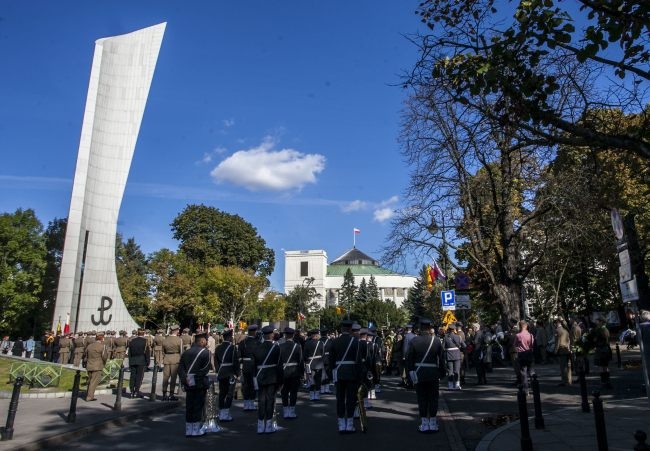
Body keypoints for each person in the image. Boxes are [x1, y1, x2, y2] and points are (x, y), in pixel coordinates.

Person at [406, 318, 444, 433]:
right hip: (433, 374)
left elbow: (409, 360)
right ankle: (433, 423)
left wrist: (410, 374)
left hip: (419, 373)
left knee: (421, 398)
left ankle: (424, 423)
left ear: (420, 328)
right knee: (433, 398)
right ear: (429, 328)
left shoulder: (414, 341)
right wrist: (442, 373)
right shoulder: (436, 341)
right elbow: (442, 359)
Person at [328, 320, 362, 433]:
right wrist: (359, 376)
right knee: (351, 399)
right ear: (351, 329)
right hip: (352, 373)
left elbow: (331, 361)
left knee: (340, 399)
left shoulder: (335, 341)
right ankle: (350, 424)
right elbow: (358, 361)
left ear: (342, 329)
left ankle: (341, 424)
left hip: (339, 373)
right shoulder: (356, 341)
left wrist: (332, 374)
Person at [178, 333, 211, 438]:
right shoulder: (206, 353)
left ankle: (188, 429)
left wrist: (185, 379)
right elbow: (205, 369)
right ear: (202, 341)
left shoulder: (186, 352)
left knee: (189, 405)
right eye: (206, 340)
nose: (206, 342)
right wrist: (195, 377)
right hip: (199, 383)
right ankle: (196, 429)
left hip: (188, 382)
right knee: (198, 405)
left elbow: (180, 369)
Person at [253, 325, 282, 434]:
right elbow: (279, 366)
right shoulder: (276, 347)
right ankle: (268, 426)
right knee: (270, 400)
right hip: (272, 377)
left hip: (260, 377)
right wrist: (280, 380)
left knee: (261, 400)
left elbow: (254, 366)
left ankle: (260, 425)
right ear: (271, 334)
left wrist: (254, 378)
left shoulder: (256, 347)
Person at [214, 328, 240, 422]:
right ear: (229, 338)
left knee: (222, 393)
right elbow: (235, 361)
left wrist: (218, 371)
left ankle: (221, 412)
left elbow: (215, 361)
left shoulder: (218, 348)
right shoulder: (232, 348)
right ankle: (226, 413)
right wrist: (238, 373)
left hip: (221, 373)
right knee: (229, 393)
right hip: (230, 373)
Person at [279, 326, 303, 419]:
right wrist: (302, 373)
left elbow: (279, 362)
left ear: (285, 335)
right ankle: (292, 411)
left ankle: (285, 411)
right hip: (294, 372)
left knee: (284, 392)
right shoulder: (297, 347)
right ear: (293, 335)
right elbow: (300, 362)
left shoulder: (280, 346)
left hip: (284, 372)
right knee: (293, 392)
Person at [238, 324, 260, 411]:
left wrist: (242, 362)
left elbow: (239, 356)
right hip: (254, 366)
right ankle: (251, 403)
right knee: (253, 385)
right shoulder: (257, 342)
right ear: (254, 332)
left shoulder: (242, 342)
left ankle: (246, 404)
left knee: (246, 385)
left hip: (246, 366)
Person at [83, 331, 108, 401]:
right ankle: (89, 397)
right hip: (97, 366)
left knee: (90, 381)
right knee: (94, 382)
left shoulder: (89, 346)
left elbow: (85, 355)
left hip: (89, 365)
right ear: (102, 338)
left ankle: (89, 394)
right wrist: (104, 363)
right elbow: (104, 357)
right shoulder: (102, 346)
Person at [162, 325, 183, 401]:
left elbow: (163, 351)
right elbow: (181, 351)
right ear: (177, 331)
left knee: (165, 377)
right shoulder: (179, 340)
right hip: (175, 359)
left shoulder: (165, 339)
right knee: (173, 378)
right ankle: (171, 394)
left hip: (167, 358)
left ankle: (164, 394)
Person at [514, 320, 535, 393]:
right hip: (529, 353)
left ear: (520, 326)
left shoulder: (518, 335)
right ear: (526, 326)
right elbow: (532, 345)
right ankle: (534, 388)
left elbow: (515, 345)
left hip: (521, 354)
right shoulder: (530, 335)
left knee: (523, 372)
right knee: (531, 371)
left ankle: (526, 390)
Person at [591, 317, 613, 389]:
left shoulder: (600, 330)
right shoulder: (606, 329)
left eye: (597, 321)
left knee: (601, 367)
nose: (596, 322)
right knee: (605, 366)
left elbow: (595, 340)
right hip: (606, 349)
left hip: (601, 349)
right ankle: (607, 381)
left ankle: (604, 382)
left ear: (601, 322)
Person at [304, 329, 325, 401]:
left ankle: (312, 395)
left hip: (310, 363)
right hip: (319, 363)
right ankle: (317, 395)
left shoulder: (307, 343)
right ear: (317, 335)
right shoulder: (321, 343)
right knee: (318, 380)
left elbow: (305, 355)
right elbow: (323, 354)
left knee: (311, 379)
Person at [128, 329, 149, 398]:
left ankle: (131, 392)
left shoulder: (132, 341)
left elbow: (129, 353)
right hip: (141, 361)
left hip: (133, 360)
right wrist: (147, 362)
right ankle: (136, 391)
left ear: (137, 333)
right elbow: (147, 353)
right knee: (139, 377)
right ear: (143, 333)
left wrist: (130, 361)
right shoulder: (145, 341)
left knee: (132, 376)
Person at [444, 324, 465, 390]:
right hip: (457, 355)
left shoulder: (446, 337)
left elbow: (442, 347)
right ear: (454, 330)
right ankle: (457, 385)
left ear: (449, 330)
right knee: (457, 371)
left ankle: (450, 386)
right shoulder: (458, 337)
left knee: (450, 371)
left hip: (449, 355)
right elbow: (464, 345)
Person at [553, 319, 572, 386]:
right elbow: (569, 340)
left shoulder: (557, 330)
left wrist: (555, 350)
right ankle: (569, 380)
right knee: (568, 366)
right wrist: (569, 348)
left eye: (554, 324)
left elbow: (557, 342)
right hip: (567, 349)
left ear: (556, 323)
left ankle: (564, 381)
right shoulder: (566, 330)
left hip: (561, 349)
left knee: (562, 366)